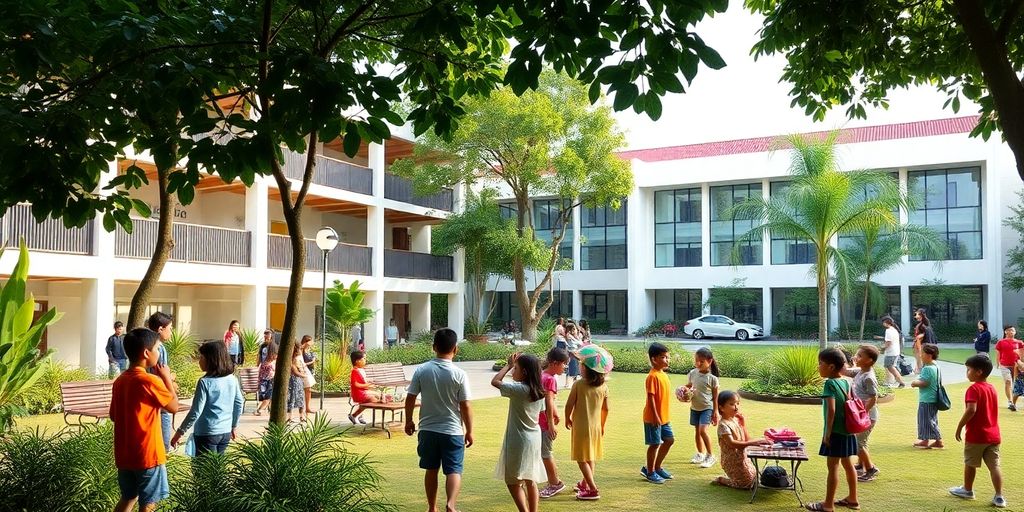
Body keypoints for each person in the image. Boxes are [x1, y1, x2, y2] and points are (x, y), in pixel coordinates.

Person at [404, 328, 473, 512]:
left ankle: (432, 507)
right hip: (452, 431)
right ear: (455, 349)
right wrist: (470, 431)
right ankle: (451, 504)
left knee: (431, 469)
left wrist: (408, 421)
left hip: (427, 429)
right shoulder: (459, 374)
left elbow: (410, 397)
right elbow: (465, 405)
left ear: (434, 347)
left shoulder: (422, 370)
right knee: (454, 470)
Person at [111, 328, 179, 512]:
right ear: (146, 353)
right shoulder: (149, 381)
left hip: (125, 454)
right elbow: (174, 406)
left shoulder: (120, 380)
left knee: (128, 498)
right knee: (148, 503)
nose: (159, 352)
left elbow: (113, 415)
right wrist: (166, 377)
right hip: (148, 454)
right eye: (157, 348)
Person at [805, 348, 858, 512]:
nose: (818, 367)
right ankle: (853, 499)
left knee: (833, 467)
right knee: (848, 464)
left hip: (836, 433)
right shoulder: (845, 381)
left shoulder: (829, 383)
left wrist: (827, 434)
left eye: (820, 363)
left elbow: (832, 410)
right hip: (848, 431)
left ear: (831, 367)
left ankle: (828, 505)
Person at [491, 353, 546, 512]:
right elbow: (540, 413)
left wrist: (507, 365)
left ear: (525, 373)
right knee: (530, 479)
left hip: (518, 439)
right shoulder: (539, 391)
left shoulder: (519, 389)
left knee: (513, 481)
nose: (513, 371)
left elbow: (495, 381)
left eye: (516, 369)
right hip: (534, 438)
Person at [949, 354, 1006, 508]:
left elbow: (971, 410)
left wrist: (960, 426)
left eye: (968, 370)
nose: (967, 373)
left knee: (970, 463)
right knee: (995, 466)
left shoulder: (973, 388)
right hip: (993, 435)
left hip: (977, 435)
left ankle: (967, 490)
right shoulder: (992, 388)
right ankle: (999, 496)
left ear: (978, 372)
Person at [170, 341, 243, 456]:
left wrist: (179, 432)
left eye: (202, 357)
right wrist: (234, 425)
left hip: (206, 434)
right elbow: (239, 403)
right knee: (217, 471)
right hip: (225, 432)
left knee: (203, 472)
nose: (199, 361)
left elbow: (195, 411)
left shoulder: (204, 382)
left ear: (211, 360)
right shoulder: (232, 379)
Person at [564, 344, 612, 501]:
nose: (579, 365)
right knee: (590, 456)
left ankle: (592, 489)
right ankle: (585, 483)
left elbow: (569, 404)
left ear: (586, 369)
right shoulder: (603, 387)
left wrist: (567, 417)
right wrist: (602, 426)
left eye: (581, 363)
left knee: (581, 458)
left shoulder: (578, 384)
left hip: (581, 427)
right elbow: (606, 409)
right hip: (596, 426)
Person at [712, 390, 770, 489]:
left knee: (754, 480)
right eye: (732, 404)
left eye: (737, 403)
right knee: (745, 485)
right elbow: (732, 443)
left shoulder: (735, 420)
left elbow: (746, 439)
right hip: (732, 460)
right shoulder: (723, 425)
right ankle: (721, 479)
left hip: (743, 457)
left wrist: (743, 424)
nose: (736, 407)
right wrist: (756, 442)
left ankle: (737, 477)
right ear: (721, 407)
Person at [842, 345, 881, 482]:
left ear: (869, 361)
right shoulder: (860, 371)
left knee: (859, 443)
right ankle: (860, 464)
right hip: (862, 415)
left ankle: (870, 469)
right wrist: (839, 357)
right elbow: (845, 371)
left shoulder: (868, 377)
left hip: (867, 416)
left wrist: (862, 413)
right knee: (860, 441)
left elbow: (873, 397)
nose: (856, 358)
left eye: (859, 356)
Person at [641, 342, 675, 484]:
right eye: (663, 357)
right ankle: (649, 472)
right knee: (654, 444)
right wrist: (655, 416)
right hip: (653, 417)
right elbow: (651, 398)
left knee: (669, 440)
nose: (667, 360)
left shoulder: (663, 375)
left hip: (664, 417)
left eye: (667, 357)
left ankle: (657, 467)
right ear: (654, 359)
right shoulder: (652, 376)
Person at [539, 347, 569, 499]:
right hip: (543, 423)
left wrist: (553, 418)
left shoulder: (544, 376)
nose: (565, 367)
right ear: (555, 363)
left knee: (545, 453)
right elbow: (548, 401)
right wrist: (551, 423)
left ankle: (555, 483)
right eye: (564, 364)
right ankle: (554, 482)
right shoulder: (549, 379)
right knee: (545, 454)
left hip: (542, 422)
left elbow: (549, 401)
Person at [146, 312, 176, 453]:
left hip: (151, 395)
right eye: (170, 328)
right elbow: (161, 373)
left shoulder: (147, 344)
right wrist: (169, 380)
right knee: (162, 447)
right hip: (158, 395)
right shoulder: (158, 348)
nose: (171, 332)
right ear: (160, 329)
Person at [686, 347, 720, 469]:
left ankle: (710, 455)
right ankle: (700, 454)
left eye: (702, 361)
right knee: (697, 431)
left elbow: (716, 397)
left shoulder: (713, 379)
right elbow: (689, 387)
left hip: (707, 408)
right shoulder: (692, 373)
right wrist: (683, 392)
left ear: (709, 361)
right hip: (695, 407)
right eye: (696, 360)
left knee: (702, 431)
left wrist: (715, 411)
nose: (698, 363)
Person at [912, 343, 944, 449]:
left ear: (929, 355)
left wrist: (914, 383)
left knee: (928, 420)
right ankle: (925, 440)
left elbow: (924, 383)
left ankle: (939, 440)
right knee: (928, 419)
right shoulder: (936, 366)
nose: (921, 355)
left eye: (922, 353)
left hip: (927, 398)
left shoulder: (928, 368)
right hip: (933, 398)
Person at [993, 325, 1022, 411]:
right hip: (1004, 365)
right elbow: (998, 353)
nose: (1011, 332)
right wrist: (997, 363)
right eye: (1009, 330)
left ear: (1015, 332)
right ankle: (1010, 401)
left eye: (1013, 330)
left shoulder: (1019, 342)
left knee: (1015, 383)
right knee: (1008, 381)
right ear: (1005, 332)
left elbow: (1022, 354)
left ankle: (1014, 400)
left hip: (1016, 366)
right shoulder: (1001, 342)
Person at [348, 350, 381, 424]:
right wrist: (367, 385)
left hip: (363, 392)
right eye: (364, 359)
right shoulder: (355, 371)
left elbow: (363, 382)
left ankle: (356, 415)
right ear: (357, 361)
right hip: (359, 394)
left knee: (378, 395)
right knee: (375, 399)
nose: (365, 361)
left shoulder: (361, 370)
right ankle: (357, 415)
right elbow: (356, 384)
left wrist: (370, 385)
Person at [874, 316, 905, 388]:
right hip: (894, 352)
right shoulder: (894, 330)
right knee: (889, 367)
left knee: (890, 367)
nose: (882, 324)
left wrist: (881, 348)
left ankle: (900, 382)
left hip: (891, 352)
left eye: (883, 322)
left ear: (886, 323)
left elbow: (888, 343)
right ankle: (889, 382)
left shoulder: (888, 331)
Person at [286, 343, 307, 423]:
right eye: (299, 349)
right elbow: (294, 371)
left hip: (298, 380)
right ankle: (289, 417)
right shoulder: (291, 359)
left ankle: (301, 416)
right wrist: (304, 375)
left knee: (300, 398)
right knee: (292, 398)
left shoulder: (297, 358)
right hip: (293, 380)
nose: (300, 351)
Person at [254, 349, 276, 416]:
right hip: (269, 382)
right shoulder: (270, 364)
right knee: (268, 398)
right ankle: (259, 410)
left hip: (264, 382)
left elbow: (260, 375)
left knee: (269, 398)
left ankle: (260, 410)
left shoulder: (264, 363)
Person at [912, 308, 933, 373]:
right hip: (918, 344)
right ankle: (918, 368)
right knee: (917, 357)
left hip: (921, 344)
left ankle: (920, 369)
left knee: (920, 357)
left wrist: (919, 347)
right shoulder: (921, 324)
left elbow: (923, 335)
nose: (916, 316)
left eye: (918, 314)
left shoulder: (923, 325)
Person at [300, 335, 317, 415]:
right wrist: (310, 362)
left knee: (308, 389)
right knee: (304, 389)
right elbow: (301, 362)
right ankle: (303, 408)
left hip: (310, 370)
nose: (312, 343)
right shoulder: (301, 350)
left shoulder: (309, 350)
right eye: (310, 341)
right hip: (303, 371)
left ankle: (307, 407)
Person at [564, 323, 582, 387]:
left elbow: (580, 343)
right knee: (572, 368)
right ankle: (568, 383)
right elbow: (579, 343)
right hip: (572, 353)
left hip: (574, 352)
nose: (575, 329)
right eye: (574, 328)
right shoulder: (569, 335)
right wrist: (576, 336)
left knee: (574, 368)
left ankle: (571, 383)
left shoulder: (571, 335)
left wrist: (576, 335)